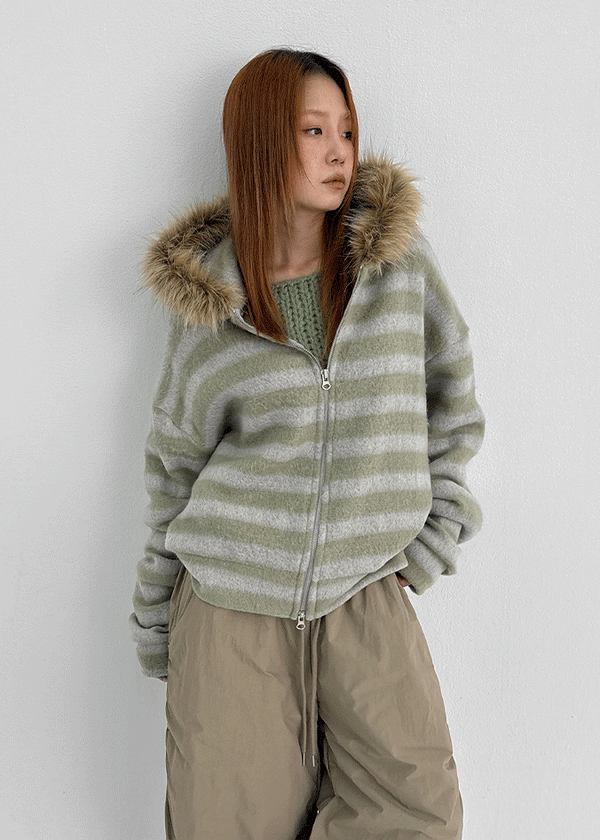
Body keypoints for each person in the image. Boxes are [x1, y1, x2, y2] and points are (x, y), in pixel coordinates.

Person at [129, 47, 485, 840]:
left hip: (367, 592)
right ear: (260, 141)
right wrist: (158, 618)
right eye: (313, 130)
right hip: (230, 606)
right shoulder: (212, 300)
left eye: (347, 131)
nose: (338, 152)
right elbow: (175, 464)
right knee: (229, 825)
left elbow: (454, 408)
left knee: (417, 814)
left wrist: (430, 542)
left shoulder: (397, 271)